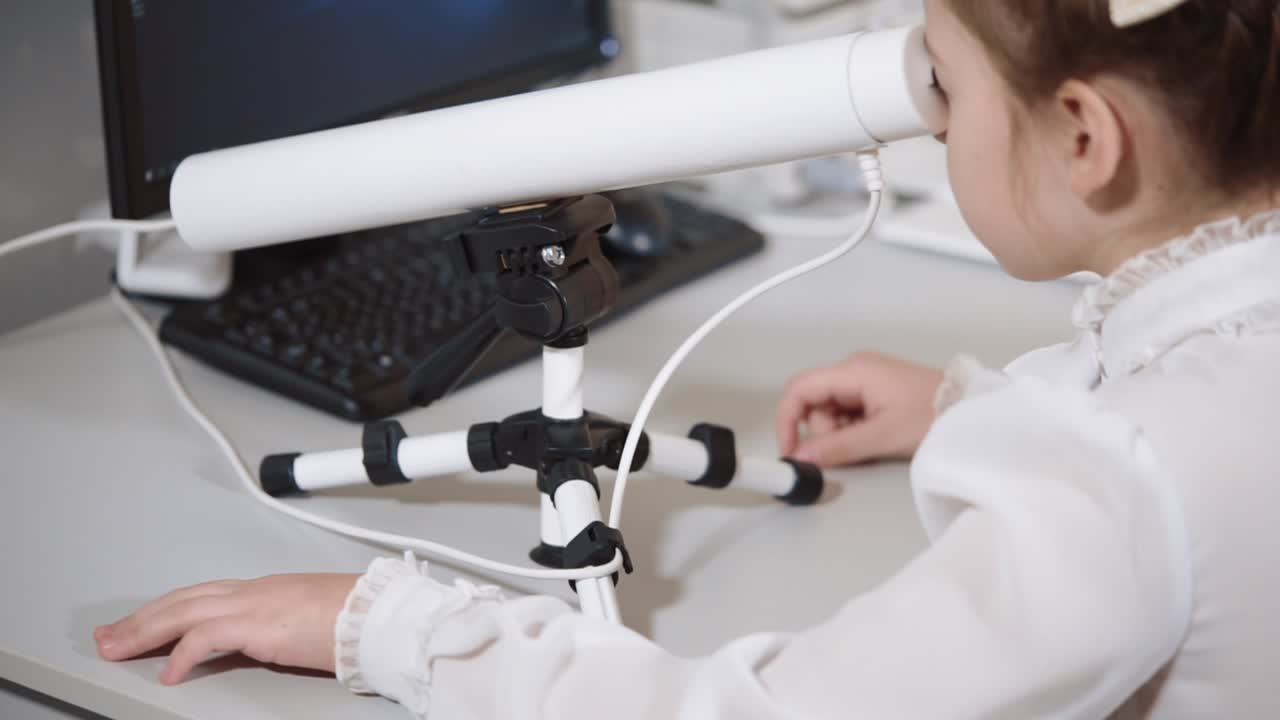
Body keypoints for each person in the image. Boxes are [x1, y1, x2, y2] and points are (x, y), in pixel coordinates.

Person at [94, 0, 1280, 716]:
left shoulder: (1110, 479)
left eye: (946, 84)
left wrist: (392, 625)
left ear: (1082, 138)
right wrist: (964, 407)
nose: (924, 113)